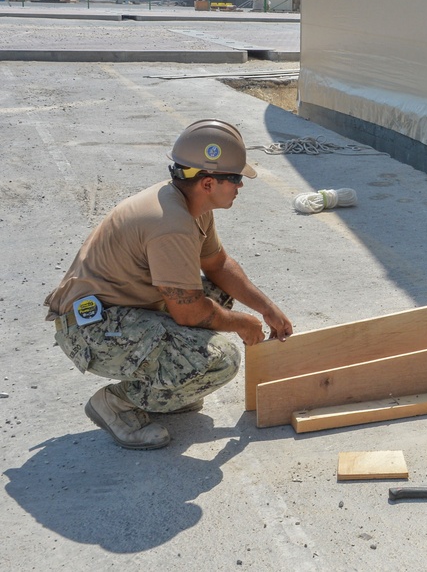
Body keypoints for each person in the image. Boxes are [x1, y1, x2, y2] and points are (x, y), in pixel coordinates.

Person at [45, 119, 294, 450]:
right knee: (221, 358)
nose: (240, 186)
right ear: (207, 183)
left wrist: (266, 309)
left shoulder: (192, 205)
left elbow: (218, 265)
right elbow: (189, 313)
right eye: (234, 178)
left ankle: (168, 386)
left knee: (216, 297)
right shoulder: (171, 222)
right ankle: (117, 403)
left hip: (126, 306)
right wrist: (244, 324)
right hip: (92, 327)